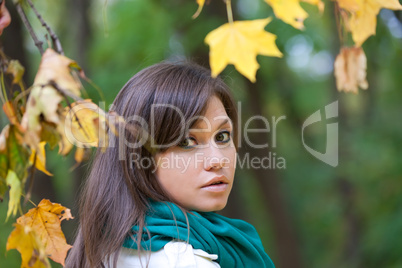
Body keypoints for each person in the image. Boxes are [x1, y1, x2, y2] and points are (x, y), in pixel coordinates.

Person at [65, 62, 275, 268]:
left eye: (222, 136)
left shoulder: (106, 248)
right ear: (139, 157)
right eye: (186, 142)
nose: (217, 160)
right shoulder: (182, 261)